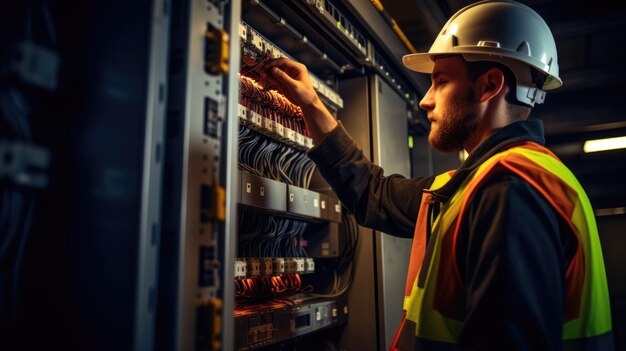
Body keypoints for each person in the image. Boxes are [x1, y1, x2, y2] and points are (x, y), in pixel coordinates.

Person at [262, 1, 613, 349]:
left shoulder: (511, 188)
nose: (425, 100)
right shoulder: (479, 184)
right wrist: (310, 104)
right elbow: (374, 193)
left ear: (489, 86)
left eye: (440, 82)